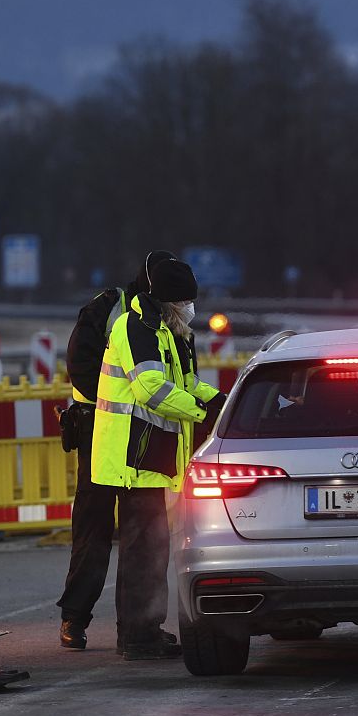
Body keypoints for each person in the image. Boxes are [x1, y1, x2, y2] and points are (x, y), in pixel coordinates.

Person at [91, 258, 225, 659]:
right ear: (167, 300)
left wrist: (219, 401)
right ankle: (137, 636)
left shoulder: (167, 330)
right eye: (185, 300)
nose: (191, 307)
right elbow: (151, 388)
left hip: (153, 455)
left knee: (153, 547)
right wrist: (203, 415)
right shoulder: (136, 327)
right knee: (143, 550)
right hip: (133, 457)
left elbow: (185, 383)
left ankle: (144, 628)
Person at [56, 250, 174, 651]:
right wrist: (124, 405)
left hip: (142, 435)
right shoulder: (110, 309)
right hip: (99, 432)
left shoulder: (163, 319)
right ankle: (74, 618)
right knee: (94, 527)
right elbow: (81, 366)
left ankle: (139, 628)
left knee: (147, 532)